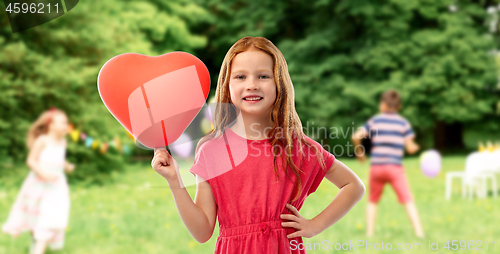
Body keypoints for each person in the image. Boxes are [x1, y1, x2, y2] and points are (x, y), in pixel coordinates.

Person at [152, 36, 365, 253]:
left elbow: (353, 186)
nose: (252, 85)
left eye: (263, 76)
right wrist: (174, 180)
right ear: (227, 85)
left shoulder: (297, 147)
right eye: (241, 77)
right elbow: (202, 231)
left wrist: (315, 225)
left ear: (278, 83)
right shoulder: (211, 150)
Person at [2, 107, 76, 254]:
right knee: (37, 218)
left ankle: (37, 249)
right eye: (62, 122)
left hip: (56, 187)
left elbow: (59, 160)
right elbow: (31, 160)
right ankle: (36, 247)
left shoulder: (63, 142)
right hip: (39, 185)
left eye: (66, 123)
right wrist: (44, 173)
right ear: (51, 125)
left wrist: (67, 166)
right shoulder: (43, 141)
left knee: (51, 218)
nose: (66, 126)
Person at [352, 89, 424, 238]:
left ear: (383, 105)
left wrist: (360, 154)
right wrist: (417, 146)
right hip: (395, 168)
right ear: (398, 107)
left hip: (377, 167)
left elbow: (356, 136)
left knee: (372, 200)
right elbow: (410, 148)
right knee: (407, 199)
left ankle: (369, 234)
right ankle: (419, 233)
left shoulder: (376, 120)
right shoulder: (403, 123)